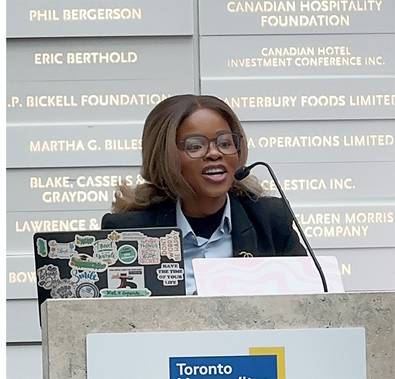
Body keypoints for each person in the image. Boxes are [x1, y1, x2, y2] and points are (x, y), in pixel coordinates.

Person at [102, 94, 305, 295]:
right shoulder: (127, 232)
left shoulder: (269, 219)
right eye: (195, 146)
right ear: (164, 155)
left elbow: (308, 301)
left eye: (225, 143)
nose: (214, 153)